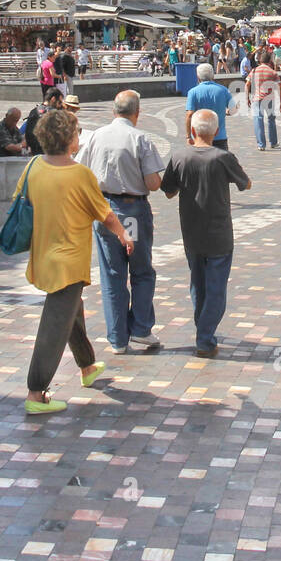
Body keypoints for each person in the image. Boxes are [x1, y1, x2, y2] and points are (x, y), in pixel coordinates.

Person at [16, 109, 128, 415]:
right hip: (69, 259)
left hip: (43, 255)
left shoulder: (33, 166)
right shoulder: (79, 174)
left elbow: (22, 201)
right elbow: (103, 213)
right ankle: (36, 393)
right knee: (55, 323)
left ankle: (87, 365)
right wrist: (124, 235)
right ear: (69, 140)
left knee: (70, 310)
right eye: (76, 132)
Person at [77, 91, 164, 354]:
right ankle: (140, 328)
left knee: (112, 274)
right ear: (137, 113)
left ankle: (117, 338)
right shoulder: (141, 139)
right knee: (141, 271)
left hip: (104, 210)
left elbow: (80, 172)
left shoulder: (95, 137)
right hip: (133, 209)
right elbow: (153, 183)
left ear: (113, 112)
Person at [162, 109, 251, 358]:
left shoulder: (180, 156)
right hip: (219, 232)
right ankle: (204, 337)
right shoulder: (223, 157)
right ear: (216, 131)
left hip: (191, 231)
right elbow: (246, 184)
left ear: (192, 130)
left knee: (198, 284)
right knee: (216, 288)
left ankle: (204, 331)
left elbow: (168, 191)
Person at [185, 63, 236, 150]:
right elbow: (233, 110)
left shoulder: (193, 92)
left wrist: (188, 136)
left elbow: (189, 114)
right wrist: (226, 112)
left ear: (198, 77)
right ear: (213, 76)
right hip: (220, 136)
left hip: (199, 137)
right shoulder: (223, 90)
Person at [248, 50, 279, 150]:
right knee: (271, 119)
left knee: (258, 120)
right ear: (269, 60)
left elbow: (247, 84)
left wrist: (247, 98)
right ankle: (273, 142)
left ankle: (261, 145)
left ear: (260, 60)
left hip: (257, 98)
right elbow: (279, 87)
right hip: (269, 98)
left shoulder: (254, 70)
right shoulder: (272, 72)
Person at [24, 88, 65, 156]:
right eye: (59, 102)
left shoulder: (33, 111)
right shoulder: (54, 113)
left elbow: (28, 133)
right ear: (53, 99)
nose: (60, 105)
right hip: (49, 154)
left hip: (34, 153)